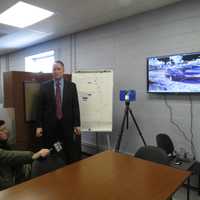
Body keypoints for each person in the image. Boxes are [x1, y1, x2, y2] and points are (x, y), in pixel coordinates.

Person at [36, 60, 81, 164]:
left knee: (68, 150)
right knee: (50, 150)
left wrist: (77, 124)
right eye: (54, 69)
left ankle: (70, 171)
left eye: (58, 69)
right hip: (50, 125)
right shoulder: (44, 86)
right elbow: (39, 108)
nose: (56, 71)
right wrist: (39, 125)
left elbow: (75, 106)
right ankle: (49, 171)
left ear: (63, 71)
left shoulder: (72, 86)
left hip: (67, 125)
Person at [0, 120, 49, 190]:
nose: (6, 131)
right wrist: (34, 155)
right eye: (2, 130)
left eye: (5, 128)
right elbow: (9, 156)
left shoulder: (6, 144)